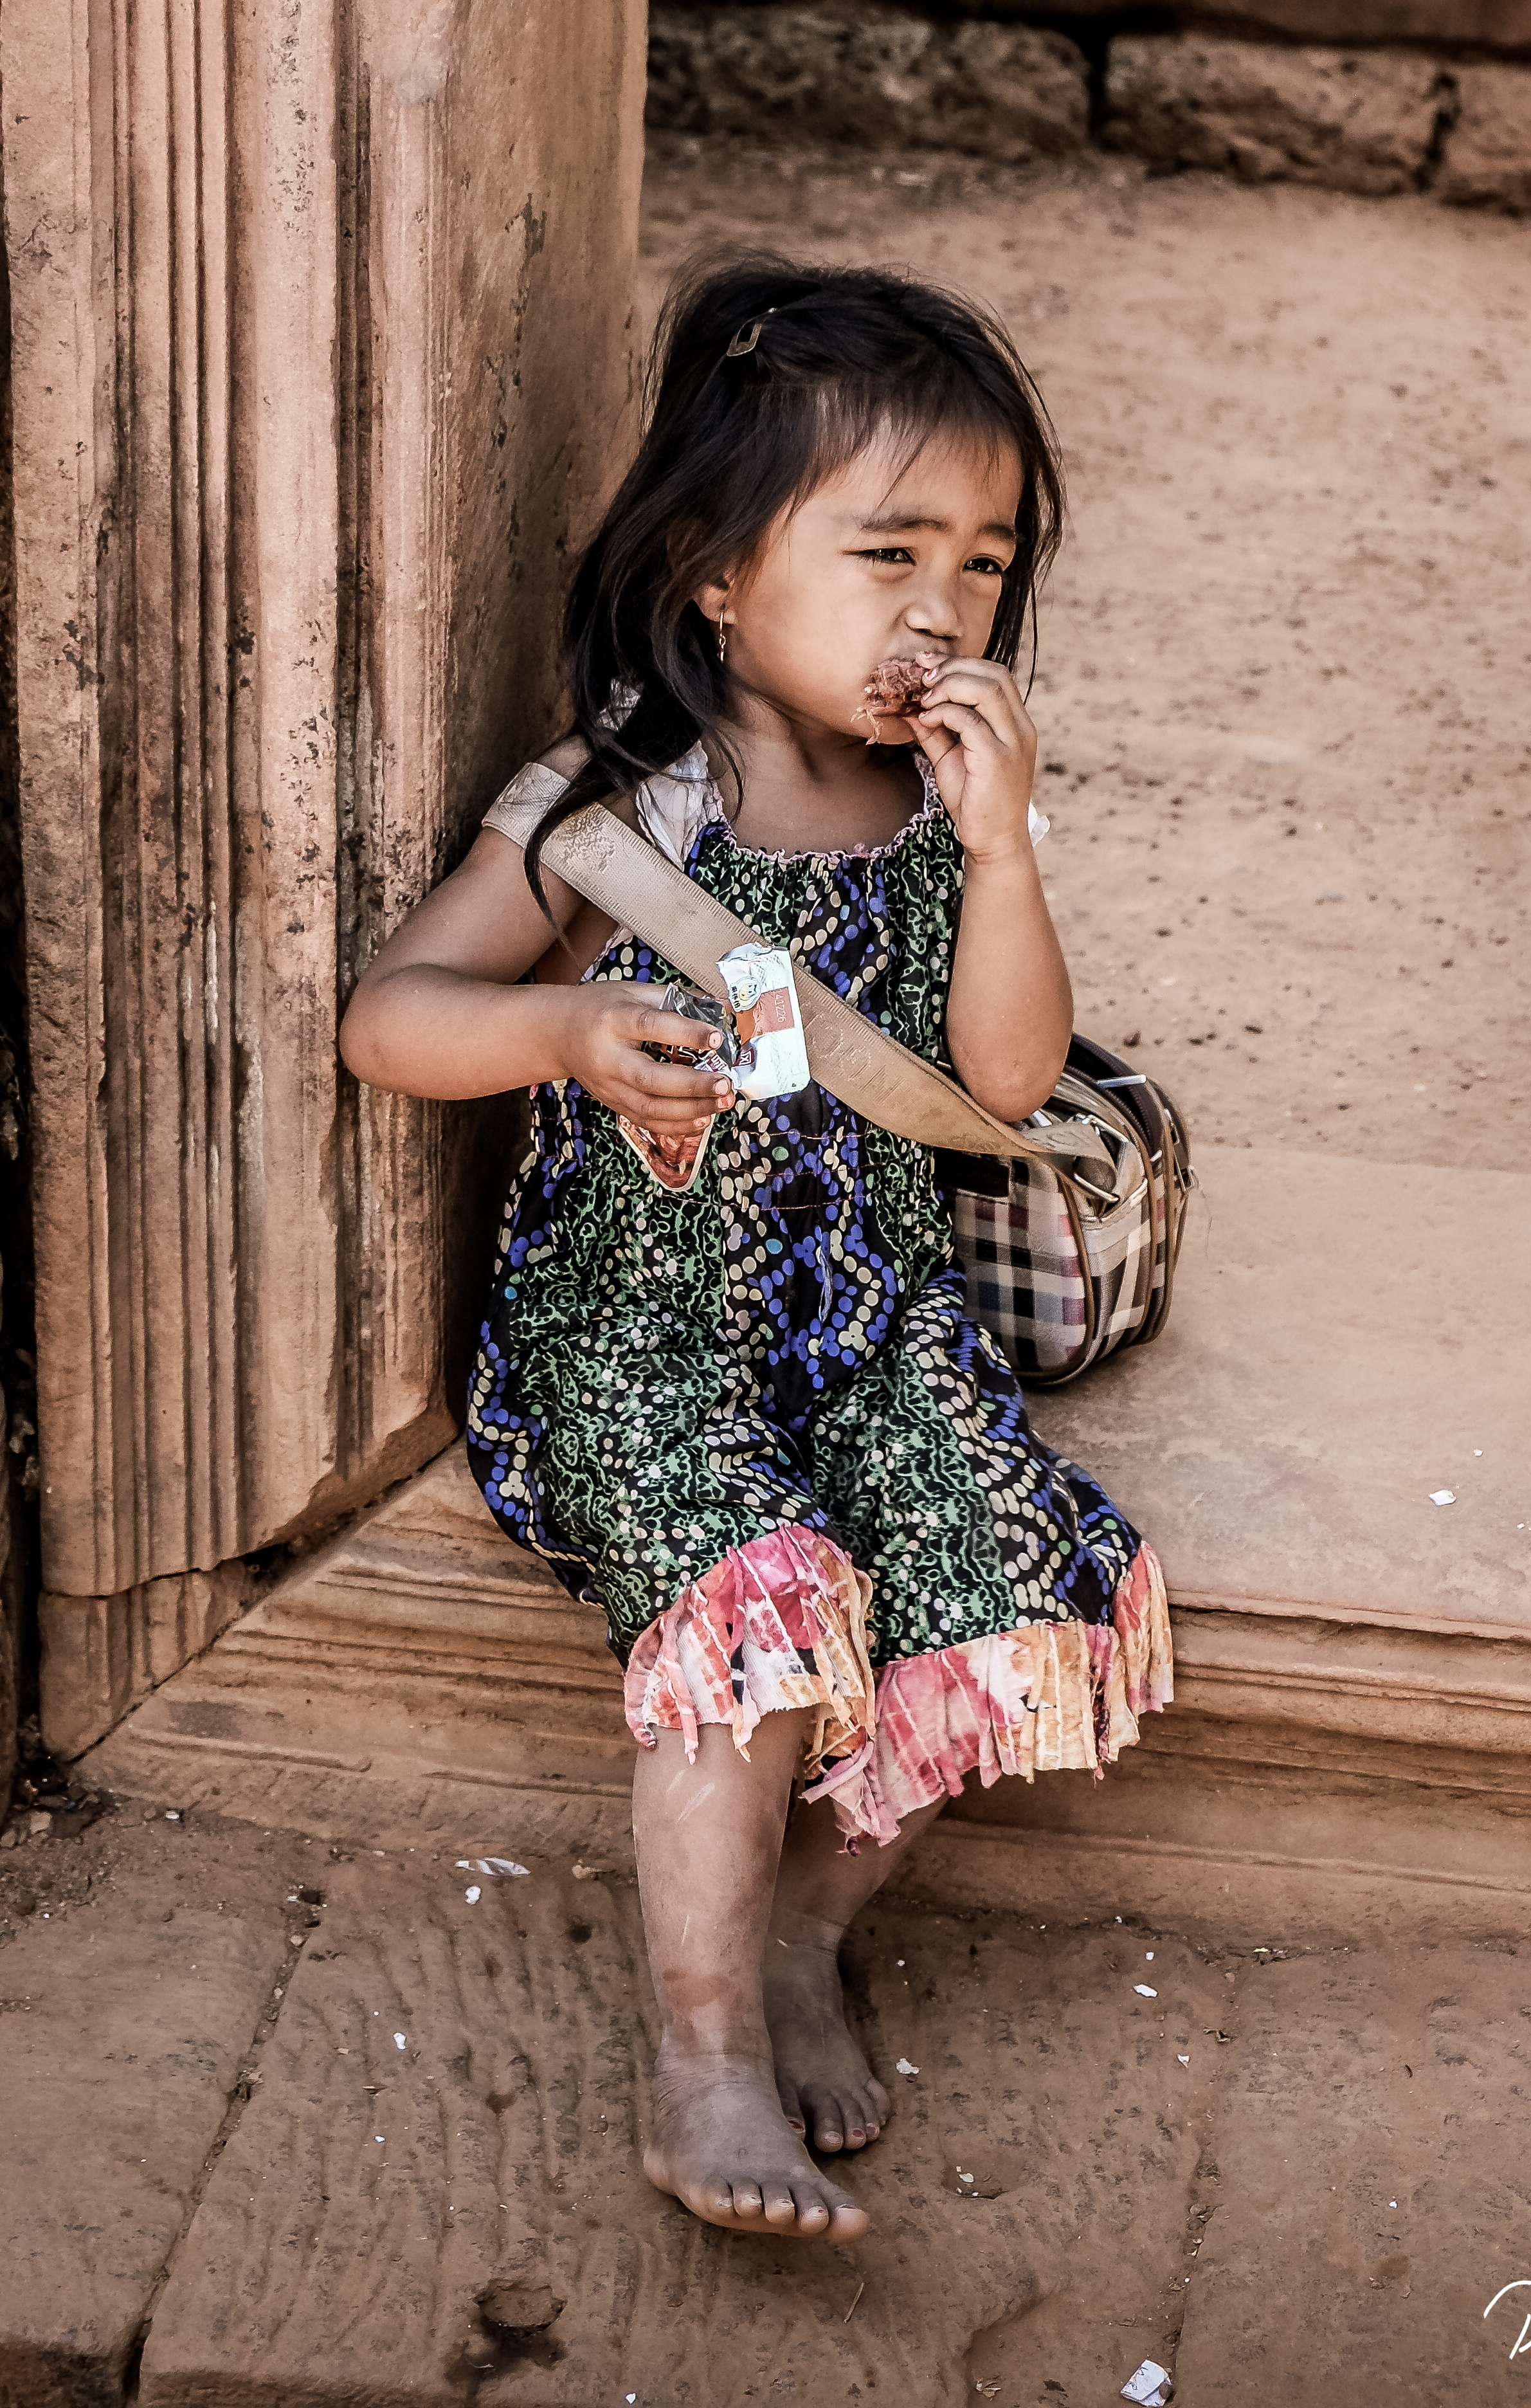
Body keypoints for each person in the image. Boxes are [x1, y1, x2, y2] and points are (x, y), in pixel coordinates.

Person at [339, 251, 1172, 2245]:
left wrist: (997, 851)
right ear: (716, 571)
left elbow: (1008, 1069)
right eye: (885, 552)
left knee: (1006, 1563)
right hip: (637, 1335)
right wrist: (556, 1026)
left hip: (874, 1324)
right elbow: (394, 1016)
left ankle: (806, 1928)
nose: (939, 612)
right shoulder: (617, 811)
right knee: (759, 1603)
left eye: (981, 564)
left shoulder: (940, 811)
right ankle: (704, 2049)